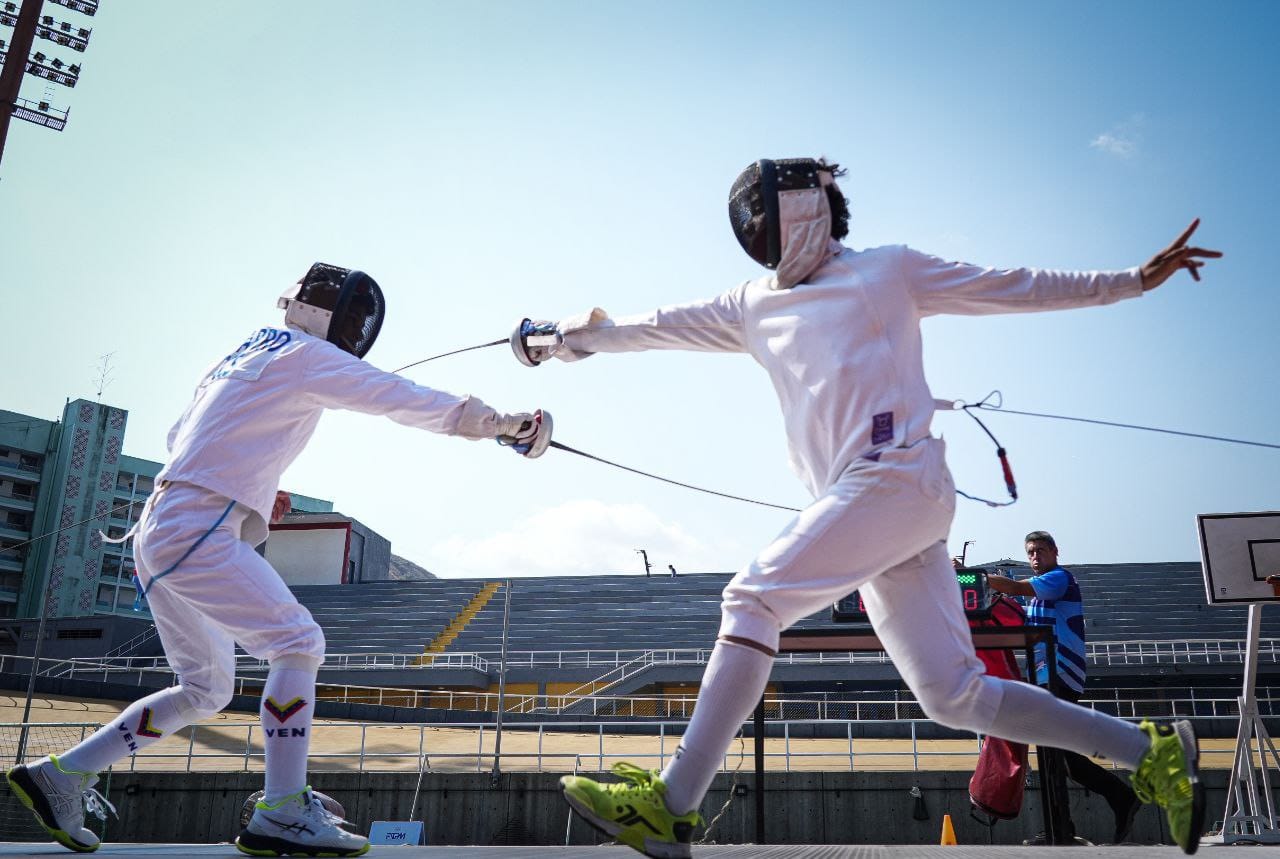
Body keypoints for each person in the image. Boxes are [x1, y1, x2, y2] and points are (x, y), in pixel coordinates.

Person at [516, 158, 1220, 858]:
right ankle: (1149, 751)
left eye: (764, 214)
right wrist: (552, 340)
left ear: (804, 208)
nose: (757, 230)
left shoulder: (889, 271)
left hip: (898, 478)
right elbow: (647, 327)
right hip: (874, 505)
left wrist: (1132, 279)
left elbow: (1014, 286)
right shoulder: (751, 304)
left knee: (752, 600)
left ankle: (672, 805)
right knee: (954, 694)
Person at [5, 263, 550, 857]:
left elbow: (181, 438)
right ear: (341, 318)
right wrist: (503, 425)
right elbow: (403, 399)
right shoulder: (307, 356)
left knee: (204, 690)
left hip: (163, 526)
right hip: (196, 527)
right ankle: (285, 808)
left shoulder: (241, 353)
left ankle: (64, 772)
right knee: (298, 642)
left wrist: (256, 487)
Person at [988, 531, 1142, 845]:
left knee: (1056, 755)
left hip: (1059, 675)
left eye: (1041, 550)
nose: (1035, 556)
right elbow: (1012, 602)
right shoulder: (1037, 596)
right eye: (1030, 552)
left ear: (1055, 551)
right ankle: (1080, 817)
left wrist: (971, 576)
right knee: (1060, 757)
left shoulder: (1058, 578)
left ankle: (1073, 822)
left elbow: (1015, 587)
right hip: (1045, 678)